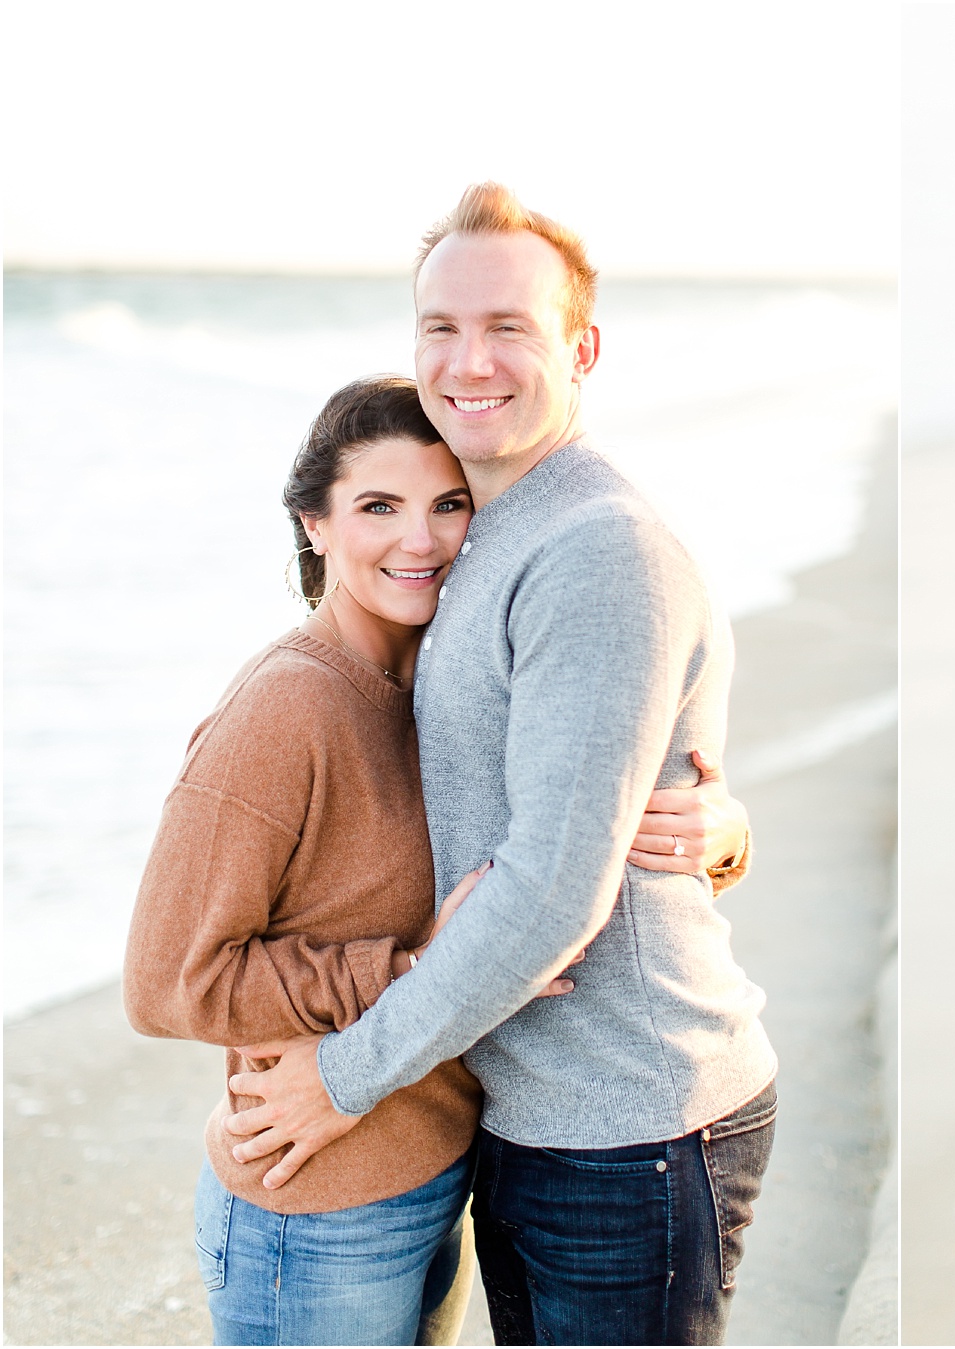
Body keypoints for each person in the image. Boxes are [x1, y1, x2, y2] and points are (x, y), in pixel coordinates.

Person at [214, 185, 780, 1347]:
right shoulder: (478, 529)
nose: (470, 358)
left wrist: (343, 1076)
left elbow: (552, 888)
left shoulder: (594, 549)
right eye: (441, 327)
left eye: (509, 326)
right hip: (534, 1109)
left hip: (628, 1115)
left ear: (582, 349)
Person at [124, 376, 752, 1345]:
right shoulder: (284, 707)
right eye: (378, 506)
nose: (418, 540)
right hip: (318, 1210)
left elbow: (566, 828)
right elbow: (166, 979)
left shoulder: (445, 681)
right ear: (315, 523)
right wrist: (409, 968)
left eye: (447, 504)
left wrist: (717, 835)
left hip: (441, 1177)